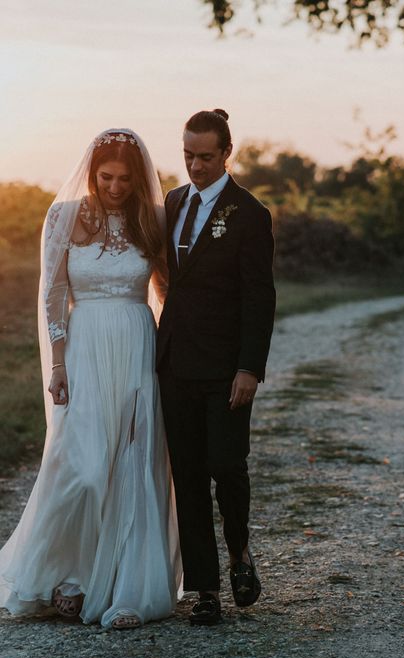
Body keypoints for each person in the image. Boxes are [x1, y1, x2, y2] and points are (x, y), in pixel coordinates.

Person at [0, 129, 181, 630]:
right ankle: (68, 573)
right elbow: (53, 293)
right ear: (92, 172)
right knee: (80, 463)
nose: (116, 186)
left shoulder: (151, 219)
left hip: (136, 341)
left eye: (125, 178)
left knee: (131, 459)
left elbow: (168, 290)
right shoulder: (64, 216)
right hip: (83, 346)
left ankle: (119, 583)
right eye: (107, 177)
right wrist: (57, 363)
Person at [157, 109, 275, 626]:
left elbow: (259, 297)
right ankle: (205, 589)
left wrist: (250, 367)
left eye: (205, 156)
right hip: (175, 364)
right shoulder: (173, 202)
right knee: (186, 476)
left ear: (228, 152)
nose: (195, 166)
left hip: (227, 369)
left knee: (226, 465)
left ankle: (240, 554)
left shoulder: (250, 213)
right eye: (188, 155)